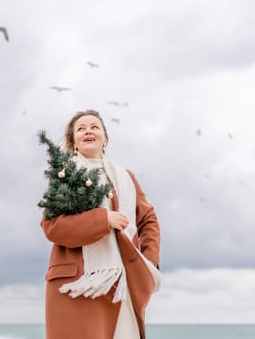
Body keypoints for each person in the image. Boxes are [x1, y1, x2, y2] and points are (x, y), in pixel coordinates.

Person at [40, 109, 161, 339]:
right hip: (77, 285)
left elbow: (148, 220)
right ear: (73, 140)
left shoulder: (125, 177)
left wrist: (150, 261)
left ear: (105, 138)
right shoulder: (64, 175)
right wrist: (103, 220)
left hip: (122, 283)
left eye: (95, 127)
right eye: (81, 128)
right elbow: (52, 226)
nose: (88, 131)